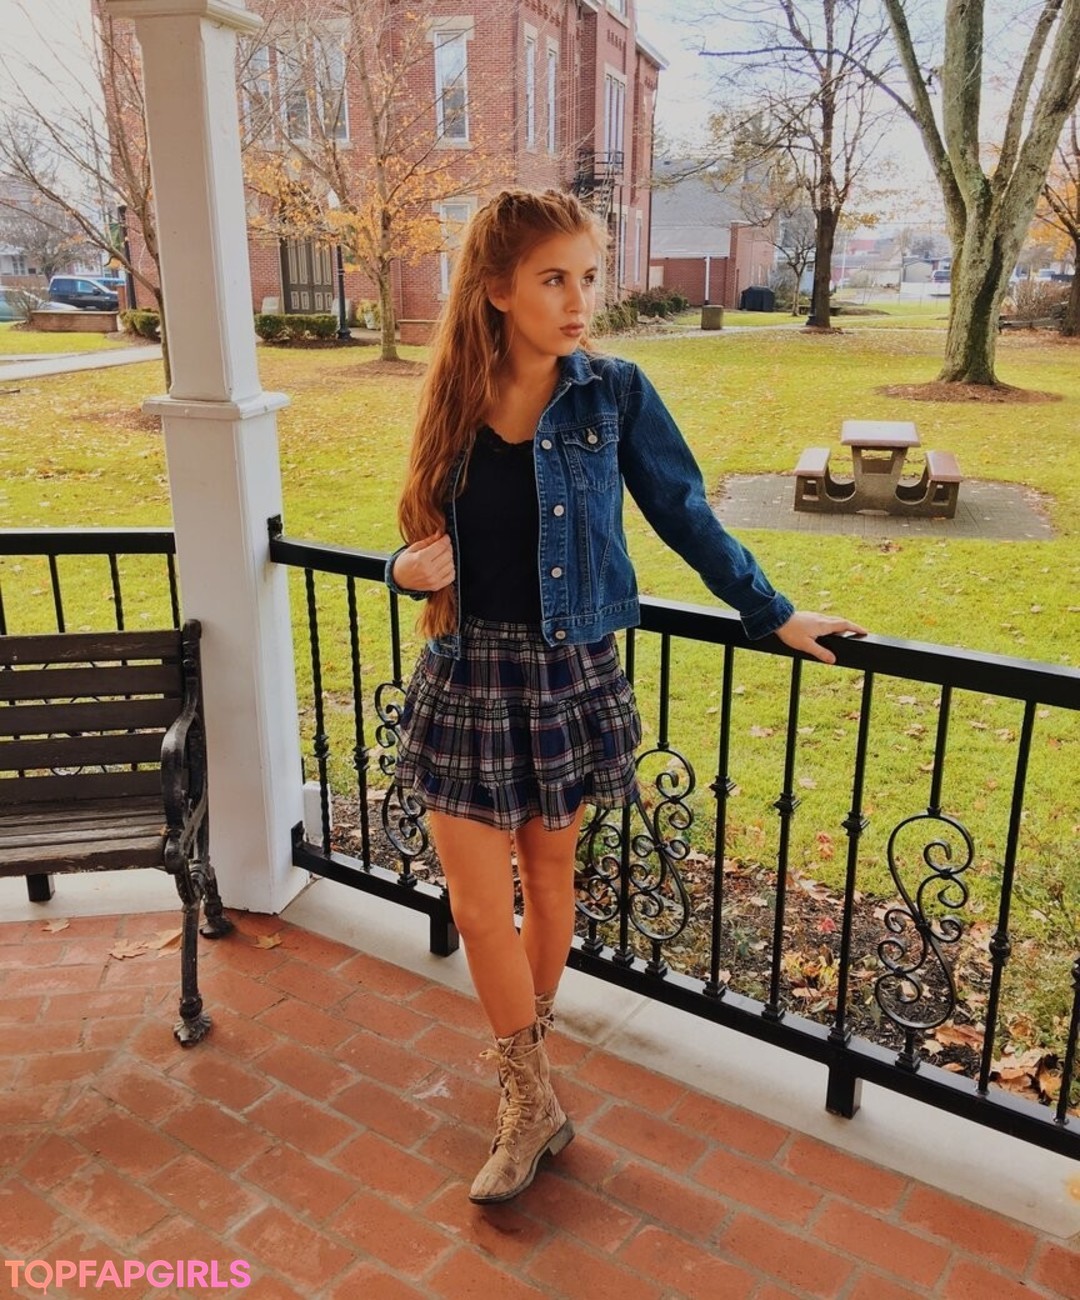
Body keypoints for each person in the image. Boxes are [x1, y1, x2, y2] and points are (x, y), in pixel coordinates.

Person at [386, 188, 865, 1205]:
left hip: (567, 671)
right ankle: (529, 1097)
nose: (579, 301)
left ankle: (528, 1086)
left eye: (588, 278)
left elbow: (686, 513)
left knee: (548, 876)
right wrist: (403, 571)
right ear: (498, 289)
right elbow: (419, 534)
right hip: (467, 673)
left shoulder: (614, 394)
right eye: (554, 279)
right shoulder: (453, 396)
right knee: (477, 908)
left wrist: (772, 612)